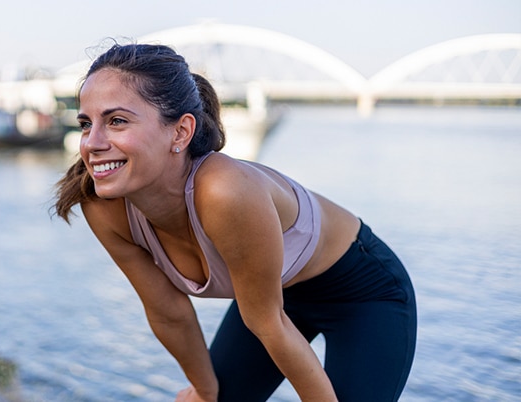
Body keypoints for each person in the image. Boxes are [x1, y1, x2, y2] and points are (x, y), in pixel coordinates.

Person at [53, 42, 417, 402]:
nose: (92, 143)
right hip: (270, 301)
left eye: (116, 121)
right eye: (86, 124)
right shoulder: (103, 206)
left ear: (180, 132)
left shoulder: (223, 191)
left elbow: (268, 322)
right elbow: (168, 313)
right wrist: (206, 393)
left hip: (362, 293)